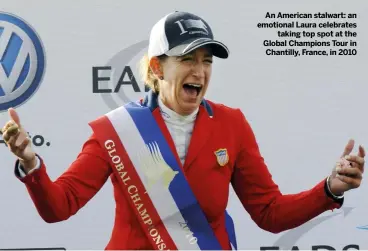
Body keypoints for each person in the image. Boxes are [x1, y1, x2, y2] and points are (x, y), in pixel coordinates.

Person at [1, 11, 365, 251]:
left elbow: (269, 213)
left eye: (207, 61)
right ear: (158, 68)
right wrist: (31, 163)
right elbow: (59, 207)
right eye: (188, 59)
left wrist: (330, 188)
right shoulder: (116, 131)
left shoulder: (231, 124)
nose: (201, 71)